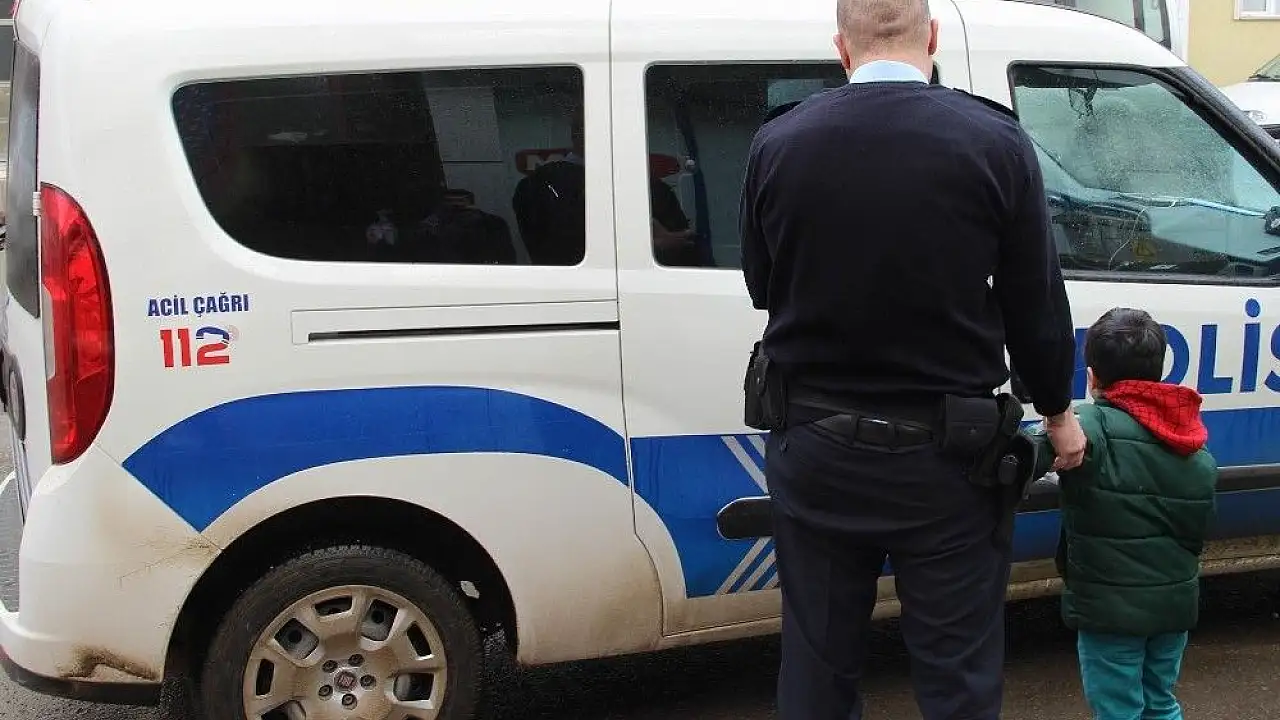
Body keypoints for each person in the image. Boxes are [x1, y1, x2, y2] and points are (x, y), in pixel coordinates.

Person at [737, 0, 1088, 718]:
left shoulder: (778, 143)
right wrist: (1057, 413)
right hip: (951, 463)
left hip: (816, 449)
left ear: (842, 48)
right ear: (931, 37)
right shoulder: (994, 141)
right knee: (958, 679)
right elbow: (1035, 303)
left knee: (816, 668)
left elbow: (760, 283)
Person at [1053, 308, 1217, 720]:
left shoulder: (1092, 423)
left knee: (1118, 709)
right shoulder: (1190, 440)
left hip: (1110, 612)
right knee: (1160, 702)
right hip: (1173, 607)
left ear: (1092, 377)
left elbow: (1050, 443)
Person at [512, 106, 705, 266]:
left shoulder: (650, 187)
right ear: (577, 134)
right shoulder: (540, 186)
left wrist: (666, 246)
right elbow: (547, 249)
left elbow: (683, 244)